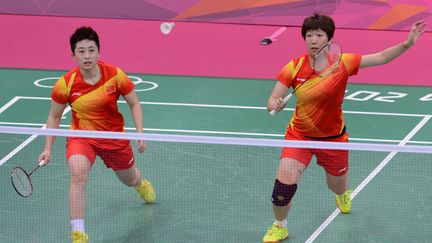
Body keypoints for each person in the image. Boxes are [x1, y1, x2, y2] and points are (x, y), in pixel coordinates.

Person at [263, 13, 427, 243]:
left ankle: (342, 195)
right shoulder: (293, 68)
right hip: (299, 136)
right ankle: (280, 225)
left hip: (333, 139)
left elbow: (380, 57)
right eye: (309, 35)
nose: (313, 39)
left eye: (319, 35)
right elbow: (273, 98)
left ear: (329, 40)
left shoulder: (343, 63)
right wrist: (275, 104)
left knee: (336, 186)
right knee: (283, 186)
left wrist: (407, 43)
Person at [38, 26, 156, 243]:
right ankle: (78, 232)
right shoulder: (65, 84)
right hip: (82, 137)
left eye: (91, 50)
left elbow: (134, 103)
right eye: (81, 51)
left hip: (114, 138)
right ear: (73, 55)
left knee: (128, 178)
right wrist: (47, 148)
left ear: (99, 52)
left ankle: (140, 184)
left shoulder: (115, 75)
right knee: (78, 173)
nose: (87, 56)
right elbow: (54, 117)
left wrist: (140, 132)